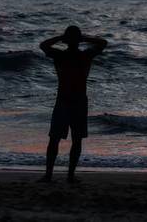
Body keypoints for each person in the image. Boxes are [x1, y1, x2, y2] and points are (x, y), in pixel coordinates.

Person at [39, 26, 108, 183]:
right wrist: (84, 38)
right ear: (78, 40)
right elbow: (103, 43)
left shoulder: (61, 55)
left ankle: (50, 175)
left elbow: (43, 45)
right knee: (73, 139)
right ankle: (68, 176)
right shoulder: (84, 55)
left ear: (67, 40)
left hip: (66, 100)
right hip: (76, 101)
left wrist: (61, 38)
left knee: (56, 139)